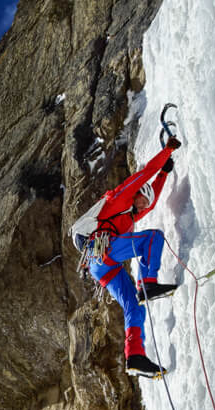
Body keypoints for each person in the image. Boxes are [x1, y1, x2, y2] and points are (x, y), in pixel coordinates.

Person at [72, 137, 182, 377]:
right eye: (143, 200)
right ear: (137, 194)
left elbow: (150, 204)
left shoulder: (130, 216)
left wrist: (163, 175)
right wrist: (167, 151)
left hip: (102, 267)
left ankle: (135, 355)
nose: (144, 206)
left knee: (134, 307)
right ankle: (148, 284)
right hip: (103, 250)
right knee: (153, 239)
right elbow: (146, 173)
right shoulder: (119, 200)